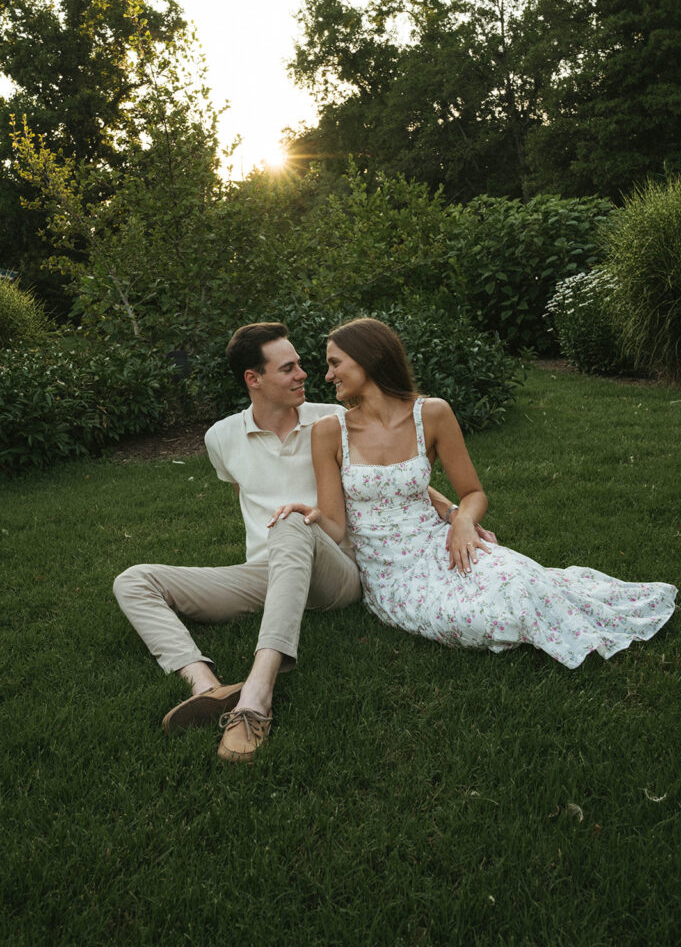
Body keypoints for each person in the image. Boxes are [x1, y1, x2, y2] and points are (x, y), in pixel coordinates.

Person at [114, 322, 481, 762]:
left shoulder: (335, 418)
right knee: (134, 580)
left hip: (335, 569)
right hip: (267, 574)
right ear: (254, 379)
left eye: (303, 365)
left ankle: (257, 693)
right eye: (289, 368)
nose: (305, 374)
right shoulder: (221, 438)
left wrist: (454, 512)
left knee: (290, 521)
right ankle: (205, 684)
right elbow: (241, 493)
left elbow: (390, 476)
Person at [271, 318, 677, 668]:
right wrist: (306, 514)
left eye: (335, 363)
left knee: (522, 583)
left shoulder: (431, 414)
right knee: (479, 620)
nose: (328, 375)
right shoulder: (329, 431)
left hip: (443, 544)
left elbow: (473, 492)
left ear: (371, 358)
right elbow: (337, 527)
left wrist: (462, 522)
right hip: (391, 575)